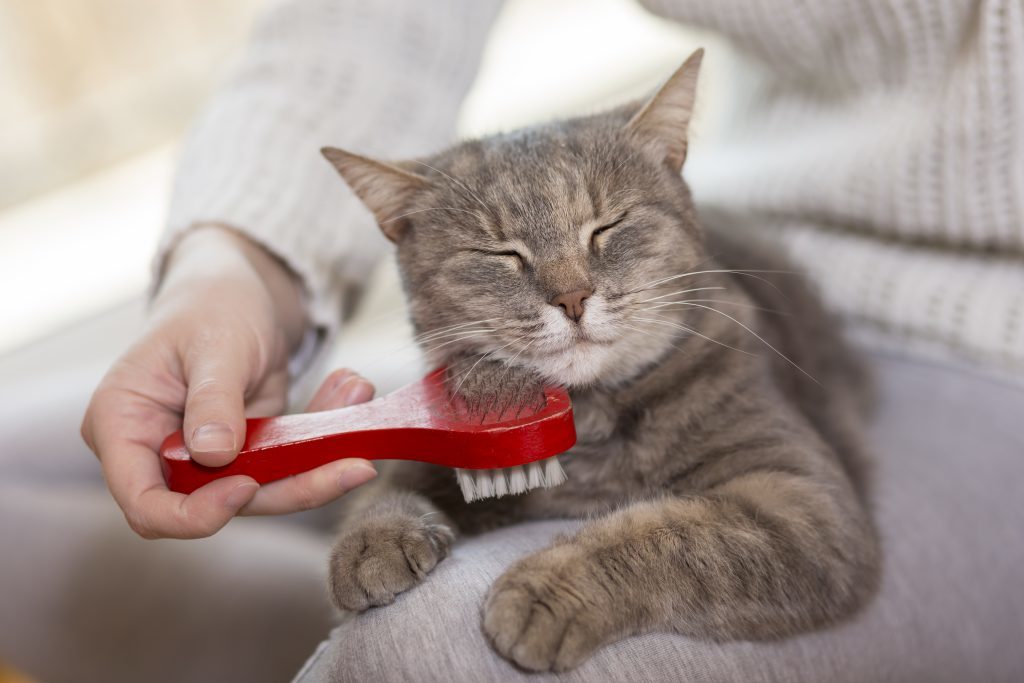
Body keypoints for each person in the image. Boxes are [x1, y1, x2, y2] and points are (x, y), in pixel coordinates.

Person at [57, 0, 1024, 680]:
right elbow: (375, 24)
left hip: (983, 344)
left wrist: (609, 574)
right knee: (43, 446)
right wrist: (233, 268)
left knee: (430, 642)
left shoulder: (716, 345)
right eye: (507, 260)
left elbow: (818, 542)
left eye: (604, 240)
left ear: (668, 178)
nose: (568, 294)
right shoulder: (501, 343)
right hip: (748, 211)